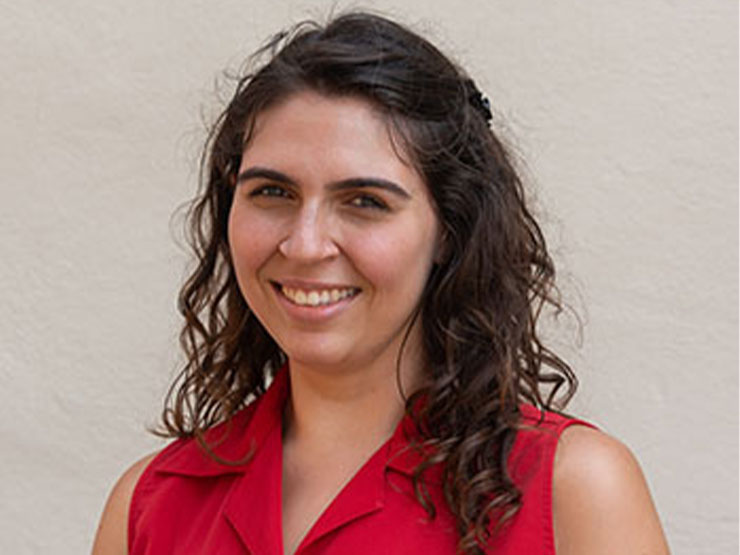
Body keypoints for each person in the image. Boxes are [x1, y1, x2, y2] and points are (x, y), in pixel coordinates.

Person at [92, 11, 669, 555]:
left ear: (450, 228)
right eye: (272, 192)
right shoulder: (149, 504)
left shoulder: (570, 491)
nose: (305, 244)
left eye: (364, 201)